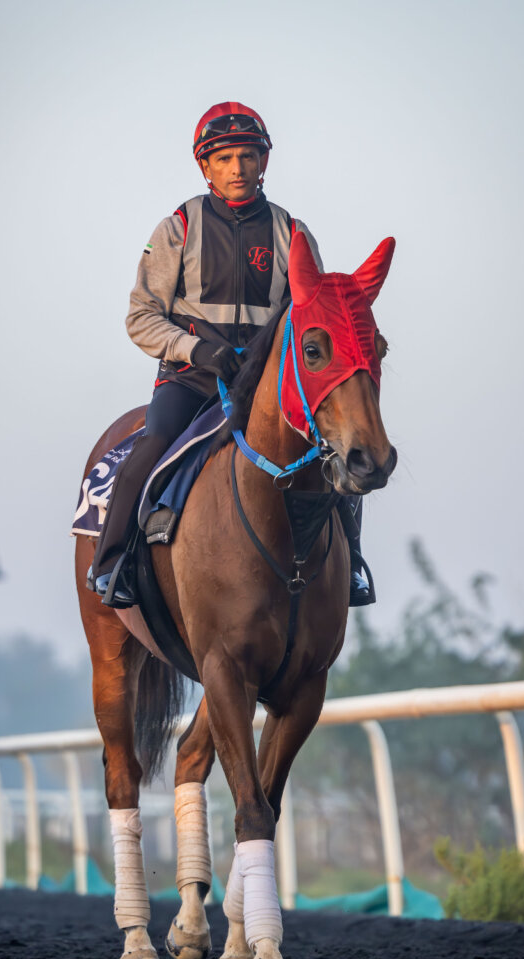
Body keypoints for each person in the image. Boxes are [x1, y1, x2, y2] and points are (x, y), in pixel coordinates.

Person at [88, 101, 372, 608]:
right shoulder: (178, 228)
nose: (237, 169)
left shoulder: (294, 232)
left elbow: (316, 319)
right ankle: (112, 566)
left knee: (338, 449)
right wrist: (198, 351)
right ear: (205, 167)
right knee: (151, 446)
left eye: (247, 156)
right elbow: (141, 317)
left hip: (270, 383)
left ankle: (351, 563)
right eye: (224, 159)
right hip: (193, 379)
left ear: (264, 162)